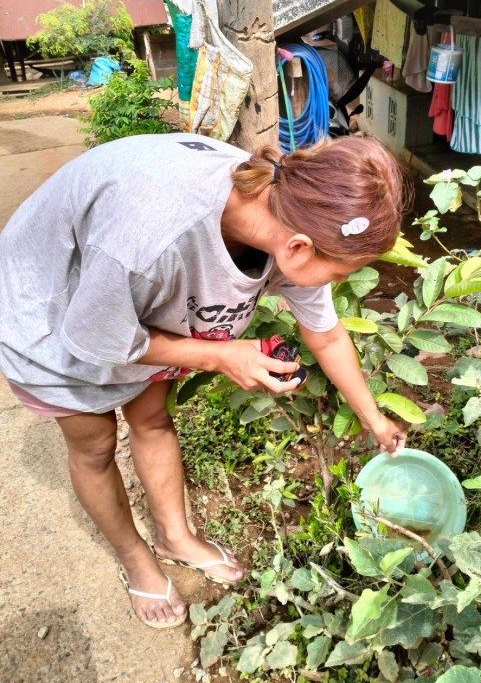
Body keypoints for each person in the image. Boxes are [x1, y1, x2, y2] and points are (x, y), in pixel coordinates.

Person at [0, 133, 408, 629]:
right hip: (52, 307)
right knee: (95, 445)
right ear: (299, 249)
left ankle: (175, 536)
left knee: (151, 416)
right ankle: (135, 555)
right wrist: (219, 356)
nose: (339, 283)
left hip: (128, 299)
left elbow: (323, 333)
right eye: (342, 273)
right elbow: (97, 336)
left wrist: (374, 417)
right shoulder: (155, 235)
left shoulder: (285, 208)